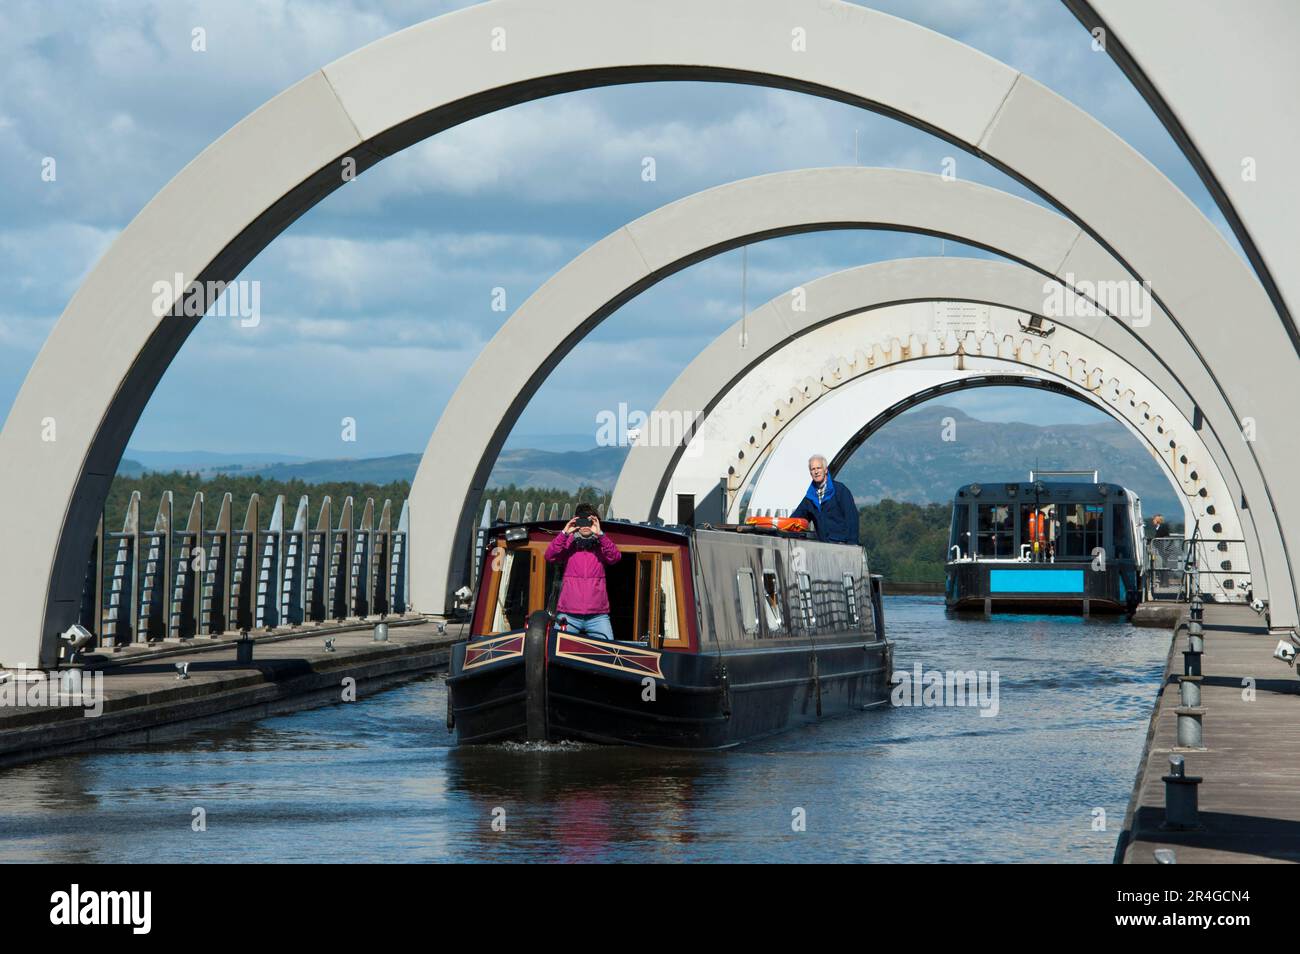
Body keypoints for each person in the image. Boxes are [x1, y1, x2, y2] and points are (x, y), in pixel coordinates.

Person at [544, 503, 621, 641]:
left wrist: (601, 535)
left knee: (608, 652)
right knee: (554, 649)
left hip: (597, 615)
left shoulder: (601, 545)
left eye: (590, 522)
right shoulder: (568, 543)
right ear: (576, 522)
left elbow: (615, 557)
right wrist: (564, 533)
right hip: (568, 615)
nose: (585, 525)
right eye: (582, 521)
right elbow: (550, 556)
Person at [790, 455, 859, 544]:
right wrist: (780, 527)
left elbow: (852, 518)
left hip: (842, 545)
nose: (816, 472)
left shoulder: (840, 490)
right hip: (824, 547)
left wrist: (852, 545)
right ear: (810, 473)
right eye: (813, 469)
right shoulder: (810, 497)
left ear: (825, 470)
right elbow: (795, 519)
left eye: (819, 468)